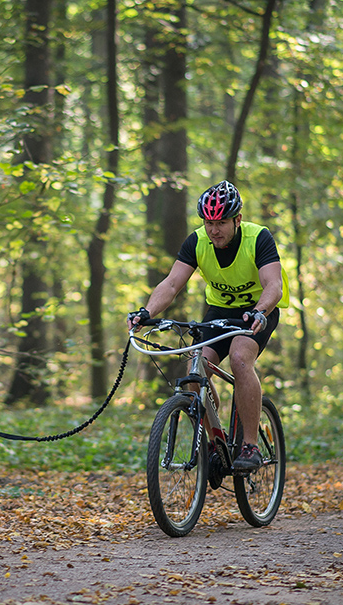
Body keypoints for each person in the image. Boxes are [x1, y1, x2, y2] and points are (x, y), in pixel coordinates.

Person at [127, 180, 289, 471]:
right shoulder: (197, 241)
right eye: (209, 222)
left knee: (240, 358)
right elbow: (172, 283)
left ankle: (250, 445)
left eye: (221, 222)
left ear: (237, 220)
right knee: (194, 370)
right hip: (219, 312)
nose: (214, 230)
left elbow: (273, 285)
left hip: (258, 311)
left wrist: (259, 311)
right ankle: (216, 442)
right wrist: (146, 311)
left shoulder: (258, 238)